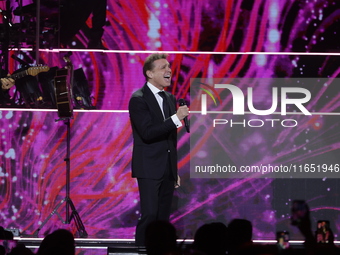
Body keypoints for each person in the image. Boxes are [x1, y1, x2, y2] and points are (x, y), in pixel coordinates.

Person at [129, 53, 189, 246]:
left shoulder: (170, 98)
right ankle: (141, 251)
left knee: (163, 218)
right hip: (148, 167)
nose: (168, 70)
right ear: (149, 73)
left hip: (167, 168)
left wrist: (174, 169)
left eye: (169, 66)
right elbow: (147, 132)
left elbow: (171, 137)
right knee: (150, 215)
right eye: (163, 67)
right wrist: (175, 118)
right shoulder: (138, 99)